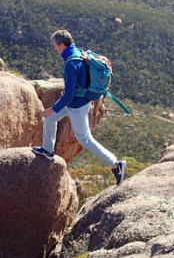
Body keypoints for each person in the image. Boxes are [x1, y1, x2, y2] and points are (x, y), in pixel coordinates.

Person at [32, 29, 126, 185]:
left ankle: (116, 164)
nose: (55, 48)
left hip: (77, 106)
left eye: (55, 45)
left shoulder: (71, 63)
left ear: (62, 44)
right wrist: (54, 112)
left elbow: (68, 95)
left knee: (85, 140)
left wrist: (52, 109)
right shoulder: (77, 52)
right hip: (77, 102)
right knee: (50, 121)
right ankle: (48, 151)